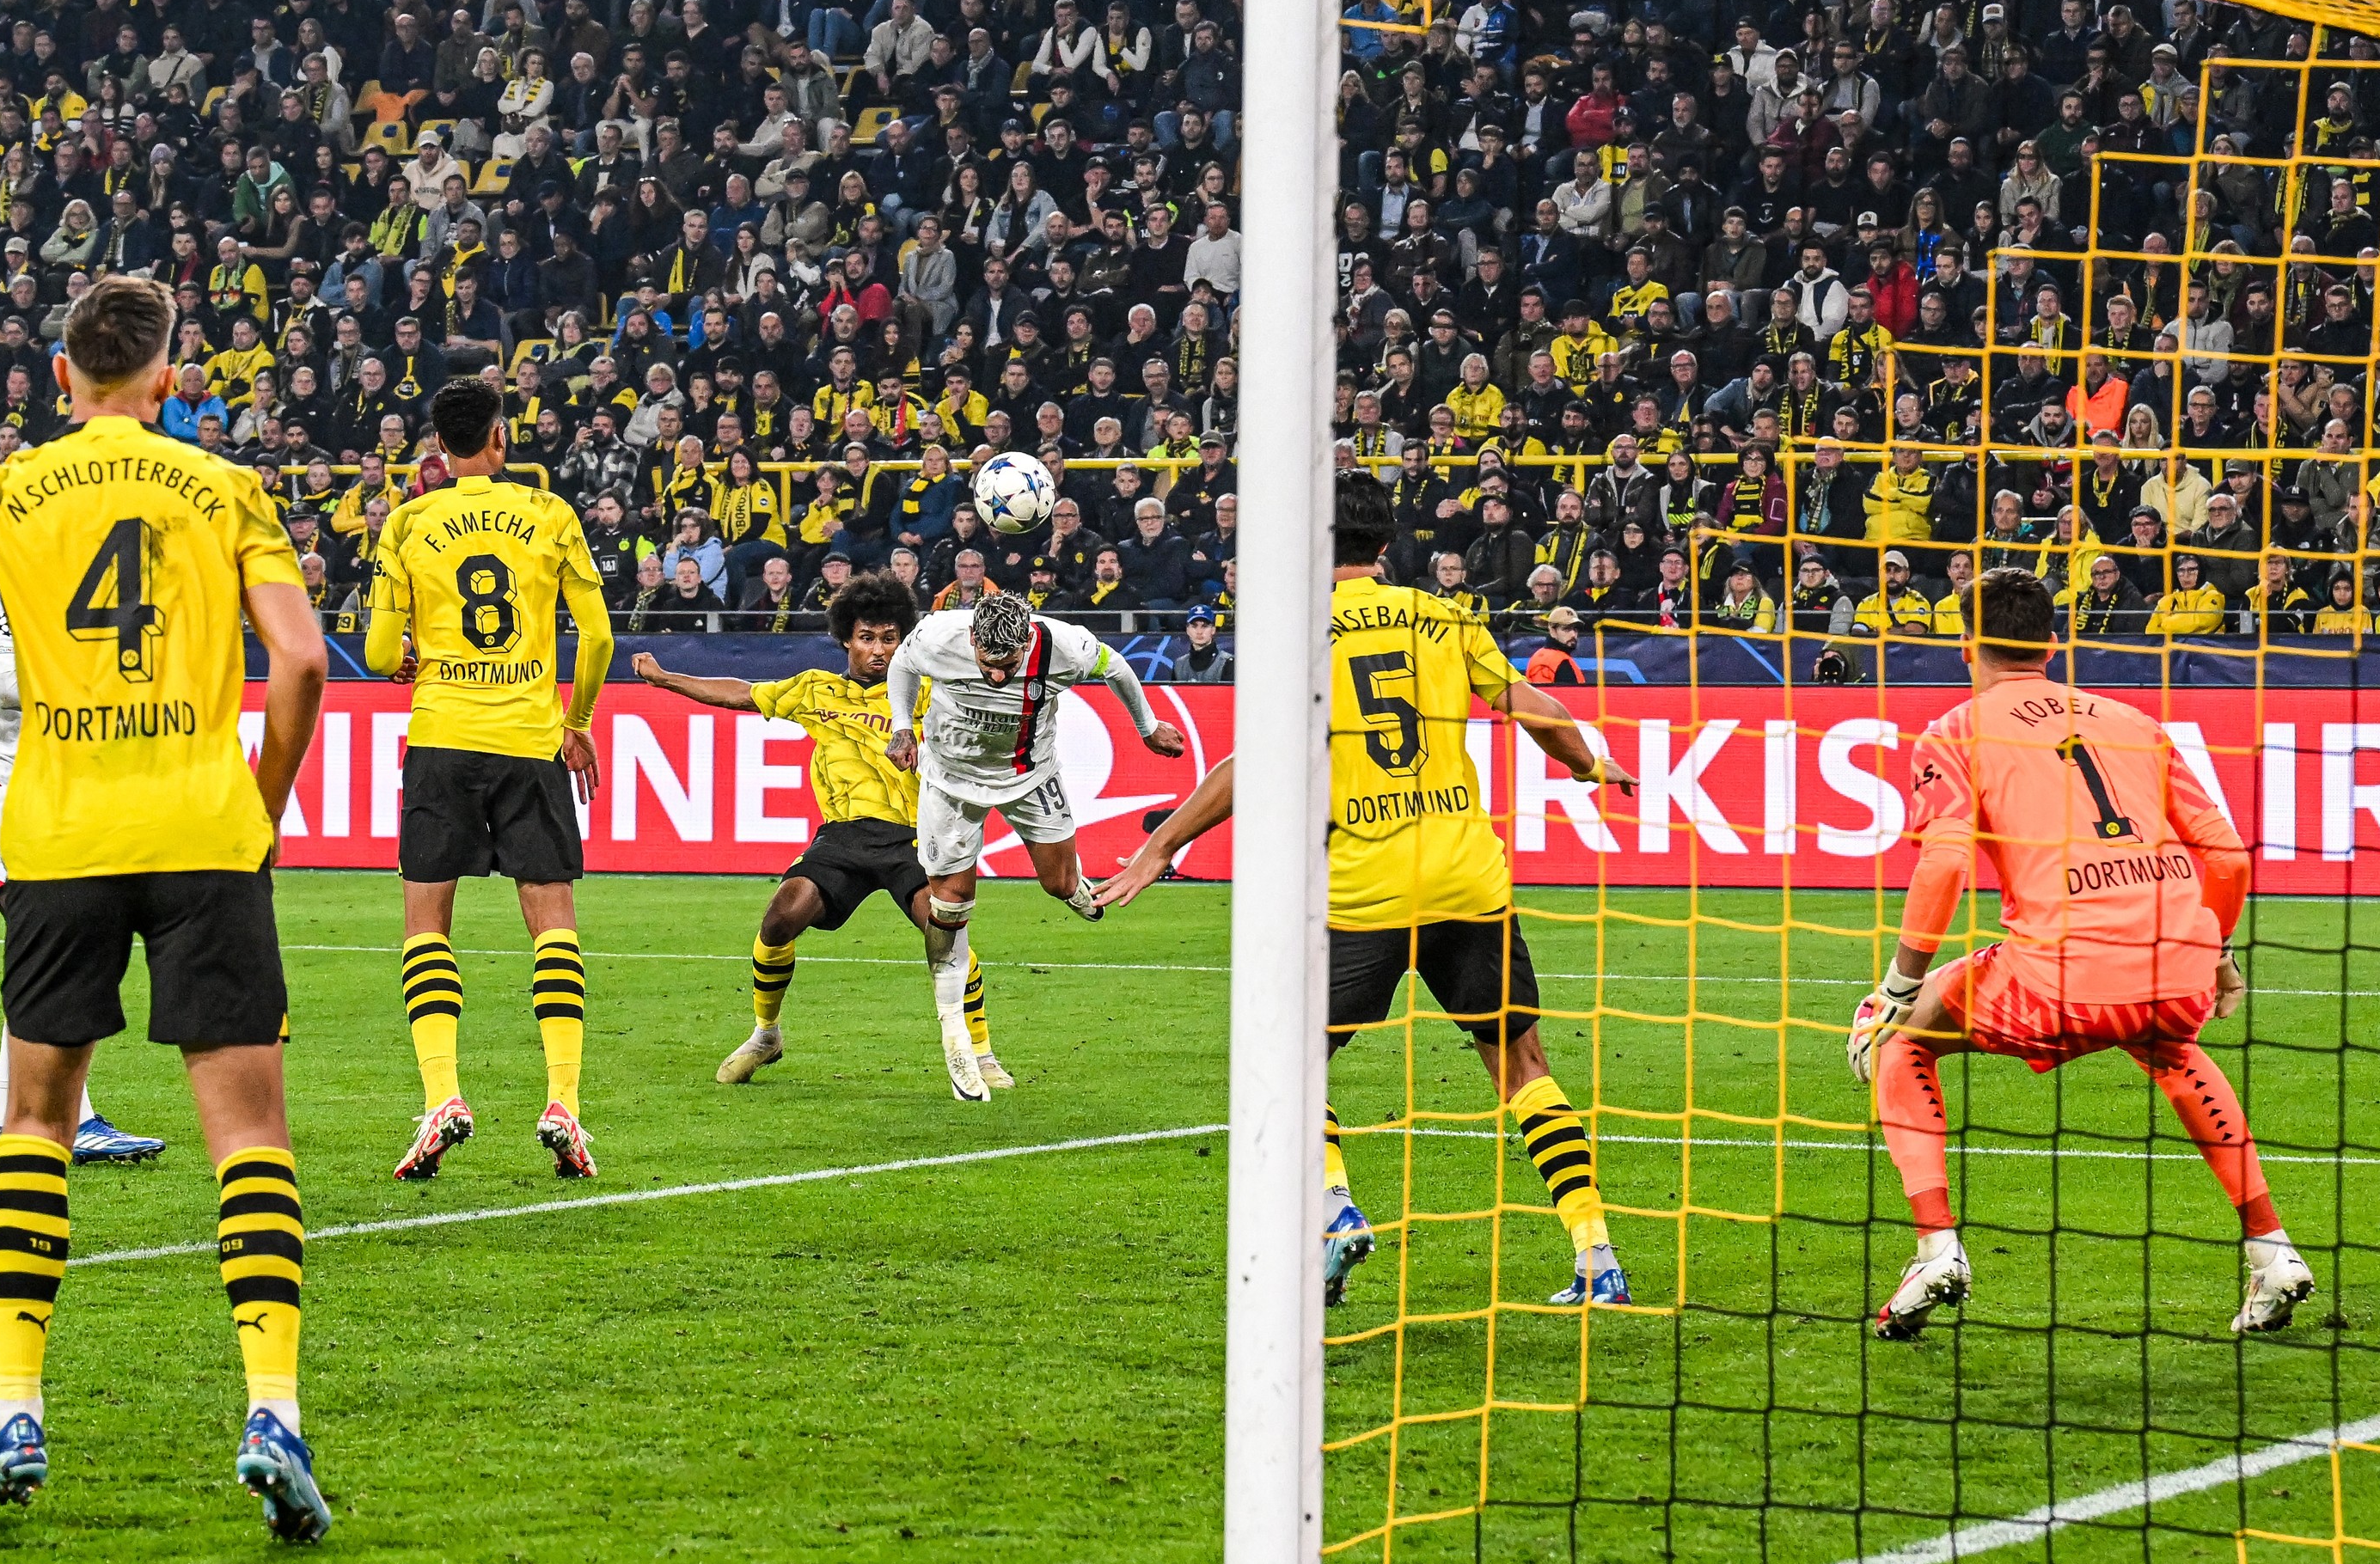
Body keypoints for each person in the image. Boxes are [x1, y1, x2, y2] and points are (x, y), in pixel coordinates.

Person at [0, 277, 336, 1540]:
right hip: (200, 826)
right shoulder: (227, 488)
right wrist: (265, 797)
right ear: (169, 380)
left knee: (33, 1117)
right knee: (248, 1135)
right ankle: (272, 1412)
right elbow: (298, 659)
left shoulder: (1, 488)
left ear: (61, 378)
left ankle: (14, 1404)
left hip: (61, 834)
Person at [1098, 474, 1640, 1310]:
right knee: (1522, 1063)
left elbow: (1250, 765)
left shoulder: (1301, 632)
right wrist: (1590, 764)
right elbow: (1529, 704)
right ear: (1385, 545)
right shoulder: (1446, 617)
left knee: (1288, 1059)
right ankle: (1596, 1253)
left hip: (1365, 888)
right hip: (1465, 875)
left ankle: (1336, 1210)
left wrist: (1160, 846)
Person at [1845, 567, 2312, 1341]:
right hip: (2174, 959)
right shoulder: (2133, 721)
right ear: (2052, 643)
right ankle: (2272, 1251)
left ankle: (1935, 1248)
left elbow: (1945, 865)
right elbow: (2226, 859)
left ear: (1967, 647)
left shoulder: (1958, 730)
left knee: (1896, 1039)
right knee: (2173, 1050)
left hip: (2060, 976)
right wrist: (2218, 953)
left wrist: (1899, 984)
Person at [364, 378, 614, 1183]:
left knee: (426, 925)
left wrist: (412, 657)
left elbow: (374, 656)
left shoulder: (406, 522)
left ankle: (443, 1095)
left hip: (441, 737)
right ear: (499, 441)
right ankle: (563, 1101)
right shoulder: (549, 515)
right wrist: (574, 721)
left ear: (437, 449)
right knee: (552, 925)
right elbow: (600, 636)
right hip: (528, 742)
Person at [632, 573, 1012, 1090]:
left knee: (945, 931)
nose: (878, 651)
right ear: (845, 639)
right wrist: (666, 678)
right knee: (781, 916)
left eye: (889, 638)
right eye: (866, 638)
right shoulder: (815, 689)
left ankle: (984, 1055)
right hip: (843, 837)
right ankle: (766, 1034)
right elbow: (743, 694)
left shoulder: (925, 694)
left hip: (914, 836)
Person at [883, 591, 1187, 1100]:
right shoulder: (940, 635)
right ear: (973, 640)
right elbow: (901, 663)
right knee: (949, 903)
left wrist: (1148, 727)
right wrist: (901, 728)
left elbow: (1117, 669)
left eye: (1007, 665)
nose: (997, 676)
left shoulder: (1065, 645)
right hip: (949, 780)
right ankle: (955, 1032)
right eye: (987, 664)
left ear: (1026, 639)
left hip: (1030, 777)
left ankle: (1074, 888)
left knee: (1058, 882)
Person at [0, 571, 166, 1164]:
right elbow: (7, 683)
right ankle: (71, 1117)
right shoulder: (1, 584)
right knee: (60, 937)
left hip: (37, 786)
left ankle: (5, 1112)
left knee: (51, 941)